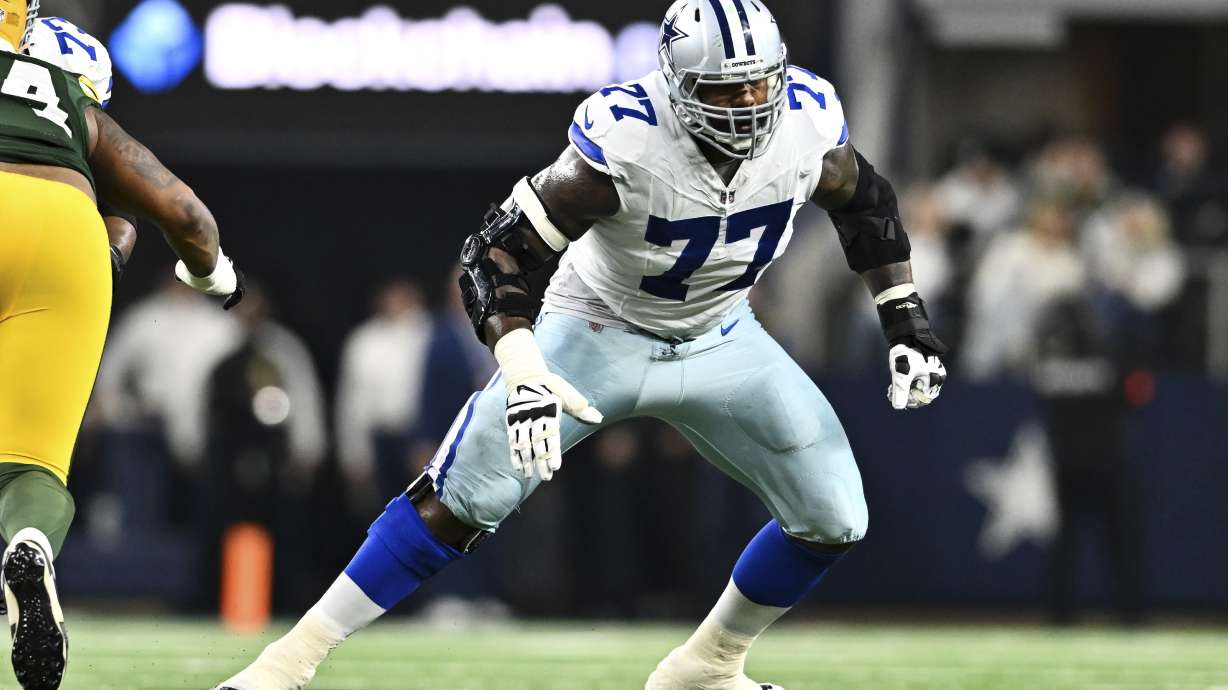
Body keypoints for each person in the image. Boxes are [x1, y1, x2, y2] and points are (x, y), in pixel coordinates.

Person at [215, 2, 948, 688]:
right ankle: (287, 662)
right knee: (459, 498)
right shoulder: (626, 141)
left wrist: (904, 317)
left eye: (761, 84)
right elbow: (493, 257)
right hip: (598, 328)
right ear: (679, 87)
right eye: (727, 90)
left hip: (723, 333)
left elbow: (867, 204)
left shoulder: (808, 120)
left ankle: (709, 666)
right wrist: (523, 366)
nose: (751, 105)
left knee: (834, 516)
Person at [0, 3, 243, 688]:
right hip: (61, 234)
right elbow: (188, 216)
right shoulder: (71, 103)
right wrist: (214, 276)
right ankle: (30, 542)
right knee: (29, 468)